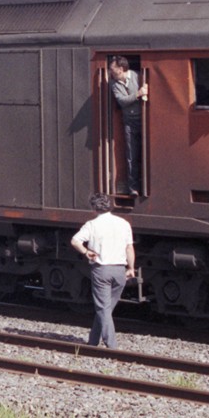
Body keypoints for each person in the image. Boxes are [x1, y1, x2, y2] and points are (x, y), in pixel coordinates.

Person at [70, 192, 136, 349]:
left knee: (103, 309)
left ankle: (111, 346)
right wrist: (131, 268)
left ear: (94, 208)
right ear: (109, 205)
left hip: (102, 271)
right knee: (106, 309)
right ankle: (93, 341)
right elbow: (129, 248)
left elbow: (75, 241)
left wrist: (86, 252)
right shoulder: (124, 223)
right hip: (120, 271)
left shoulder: (92, 225)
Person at [108, 56, 148, 196]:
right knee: (132, 155)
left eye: (112, 69)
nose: (110, 72)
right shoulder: (114, 84)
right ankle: (134, 188)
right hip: (129, 122)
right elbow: (121, 101)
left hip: (145, 120)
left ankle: (147, 186)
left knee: (146, 153)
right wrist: (138, 94)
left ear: (121, 69)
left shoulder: (139, 76)